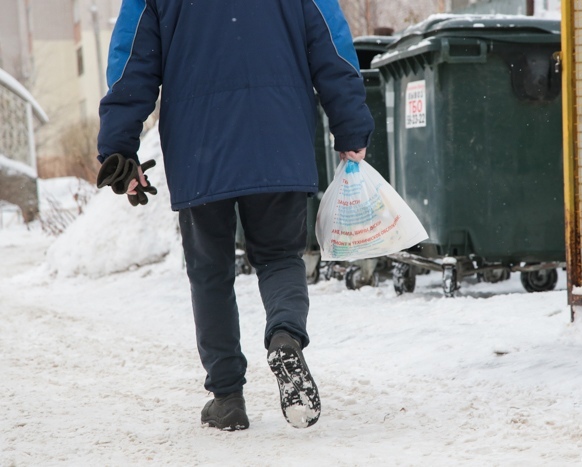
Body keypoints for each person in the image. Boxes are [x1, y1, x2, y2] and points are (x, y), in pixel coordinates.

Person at [96, 0, 374, 431]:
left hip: (198, 145)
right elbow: (332, 49)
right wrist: (351, 126)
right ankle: (284, 336)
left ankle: (227, 398)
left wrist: (119, 147)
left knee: (210, 271)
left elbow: (133, 62)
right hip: (278, 137)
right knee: (280, 256)